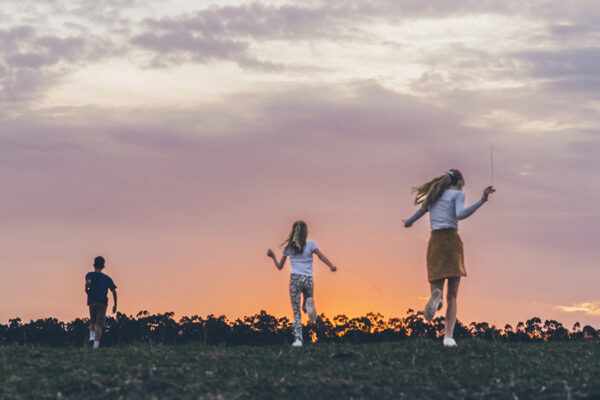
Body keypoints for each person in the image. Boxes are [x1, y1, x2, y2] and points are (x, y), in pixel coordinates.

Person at [403, 169, 495, 347]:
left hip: (435, 242)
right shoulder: (457, 195)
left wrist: (408, 222)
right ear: (459, 182)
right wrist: (482, 200)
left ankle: (435, 299)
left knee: (436, 288)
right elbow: (460, 214)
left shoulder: (433, 195)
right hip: (452, 241)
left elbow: (412, 219)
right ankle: (448, 338)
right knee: (452, 295)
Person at [267, 221, 337, 347]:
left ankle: (298, 340)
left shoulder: (288, 248)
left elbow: (279, 267)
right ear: (306, 233)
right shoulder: (311, 245)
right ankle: (308, 305)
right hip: (308, 280)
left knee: (296, 312)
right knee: (309, 304)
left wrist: (272, 256)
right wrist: (331, 265)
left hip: (295, 279)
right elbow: (321, 256)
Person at [85, 256, 117, 349]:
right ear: (103, 266)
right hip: (102, 302)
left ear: (94, 265)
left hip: (92, 301)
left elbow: (88, 283)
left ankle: (91, 337)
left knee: (92, 321)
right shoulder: (107, 278)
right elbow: (114, 291)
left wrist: (86, 288)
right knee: (99, 325)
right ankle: (95, 346)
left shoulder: (89, 274)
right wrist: (115, 304)